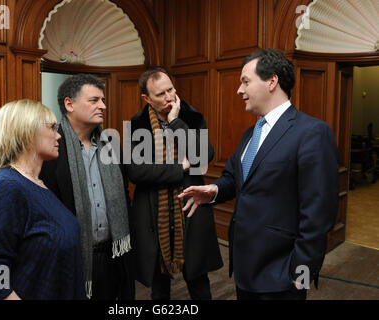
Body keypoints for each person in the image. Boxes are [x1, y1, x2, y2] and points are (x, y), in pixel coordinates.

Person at [178, 49, 339, 300]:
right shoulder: (250, 134)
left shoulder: (313, 133)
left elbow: (319, 215)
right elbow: (234, 177)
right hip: (245, 272)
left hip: (283, 276)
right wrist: (213, 191)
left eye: (245, 81)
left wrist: (302, 278)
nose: (239, 91)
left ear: (272, 82)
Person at [0, 99, 85, 300]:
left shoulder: (37, 184)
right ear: (27, 132)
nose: (59, 135)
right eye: (52, 127)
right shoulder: (6, 188)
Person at [126, 68, 223, 300]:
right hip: (153, 213)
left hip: (190, 208)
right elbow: (137, 172)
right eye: (161, 94)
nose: (169, 97)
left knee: (198, 281)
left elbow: (203, 156)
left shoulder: (191, 117)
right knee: (159, 286)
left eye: (171, 89)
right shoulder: (138, 124)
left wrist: (176, 122)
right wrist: (180, 168)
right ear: (146, 98)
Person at [39, 73, 133, 300]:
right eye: (94, 100)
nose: (103, 106)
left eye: (103, 100)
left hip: (113, 254)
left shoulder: (110, 143)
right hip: (71, 258)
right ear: (69, 104)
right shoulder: (51, 147)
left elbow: (124, 195)